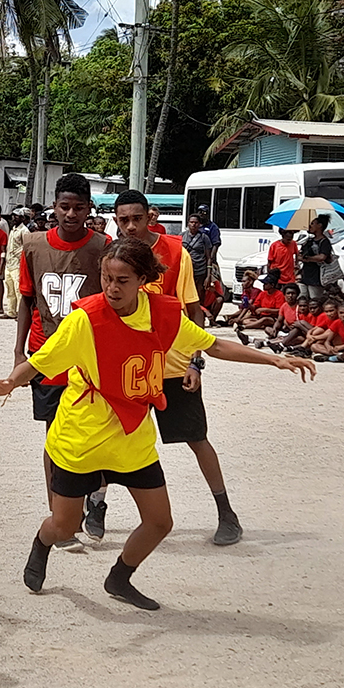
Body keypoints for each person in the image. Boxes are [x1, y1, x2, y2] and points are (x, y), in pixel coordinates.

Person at [0, 238, 314, 610]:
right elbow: (40, 362)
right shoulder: (84, 320)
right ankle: (41, 544)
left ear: (143, 280)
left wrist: (274, 361)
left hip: (132, 436)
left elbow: (213, 346)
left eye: (122, 279)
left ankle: (119, 578)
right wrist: (10, 381)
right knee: (64, 527)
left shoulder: (163, 315)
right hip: (81, 437)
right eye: (106, 278)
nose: (112, 288)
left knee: (159, 522)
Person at [96, 189, 244, 547]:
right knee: (107, 436)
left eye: (136, 218)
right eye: (123, 219)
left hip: (174, 366)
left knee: (196, 438)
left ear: (151, 216)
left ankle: (226, 513)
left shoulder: (176, 252)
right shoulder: (113, 256)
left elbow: (193, 311)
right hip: (129, 367)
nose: (130, 226)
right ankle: (96, 506)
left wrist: (196, 361)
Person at [15, 173, 108, 548]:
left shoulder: (103, 246)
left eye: (78, 207)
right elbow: (26, 300)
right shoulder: (33, 245)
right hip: (47, 354)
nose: (71, 214)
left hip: (91, 357)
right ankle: (59, 516)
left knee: (98, 434)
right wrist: (18, 350)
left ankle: (97, 500)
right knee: (55, 437)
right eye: (64, 206)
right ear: (54, 206)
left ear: (89, 209)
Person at [3, 209, 31, 320]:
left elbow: (27, 246)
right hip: (9, 263)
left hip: (18, 264)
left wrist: (19, 255)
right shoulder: (13, 230)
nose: (14, 218)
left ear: (22, 218)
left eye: (17, 216)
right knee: (10, 289)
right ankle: (11, 311)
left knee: (18, 290)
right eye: (13, 216)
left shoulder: (24, 231)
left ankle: (21, 313)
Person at [298, 215, 333, 302]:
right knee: (302, 299)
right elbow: (300, 255)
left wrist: (308, 258)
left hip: (317, 276)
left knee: (315, 299)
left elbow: (322, 257)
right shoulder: (309, 241)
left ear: (319, 225)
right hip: (305, 275)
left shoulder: (325, 242)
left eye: (312, 224)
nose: (310, 226)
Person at [181, 213, 213, 301]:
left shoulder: (204, 238)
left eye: (196, 222)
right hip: (186, 269)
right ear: (188, 223)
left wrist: (208, 275)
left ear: (199, 224)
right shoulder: (182, 236)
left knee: (199, 293)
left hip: (200, 270)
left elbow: (209, 257)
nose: (193, 224)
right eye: (191, 222)